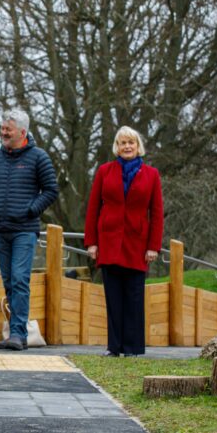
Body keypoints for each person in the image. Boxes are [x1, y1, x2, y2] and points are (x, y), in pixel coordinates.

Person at [84, 126, 164, 357]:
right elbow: (93, 208)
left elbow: (157, 213)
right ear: (116, 147)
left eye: (131, 142)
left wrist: (153, 246)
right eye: (122, 143)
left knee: (134, 296)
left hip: (138, 244)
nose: (127, 146)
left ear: (138, 146)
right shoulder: (104, 171)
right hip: (108, 242)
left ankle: (133, 348)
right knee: (113, 297)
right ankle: (114, 346)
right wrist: (92, 242)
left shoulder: (151, 174)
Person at [0, 108, 59, 351]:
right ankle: (13, 333)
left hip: (24, 230)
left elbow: (51, 190)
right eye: (3, 128)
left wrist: (31, 209)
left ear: (22, 132)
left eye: (8, 129)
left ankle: (19, 334)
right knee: (9, 281)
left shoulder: (39, 157)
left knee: (20, 280)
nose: (3, 132)